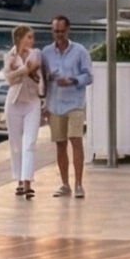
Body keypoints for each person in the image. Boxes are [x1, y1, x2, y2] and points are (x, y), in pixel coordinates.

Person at [42, 14, 94, 198]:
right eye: (55, 31)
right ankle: (65, 184)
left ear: (68, 30)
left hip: (75, 104)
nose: (59, 35)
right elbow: (41, 79)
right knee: (60, 145)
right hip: (55, 104)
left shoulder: (80, 51)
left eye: (62, 31)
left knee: (76, 141)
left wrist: (72, 80)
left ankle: (79, 184)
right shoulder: (46, 53)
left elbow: (89, 76)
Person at [3, 25, 44, 198]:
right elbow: (9, 79)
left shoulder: (36, 54)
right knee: (16, 143)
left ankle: (27, 181)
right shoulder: (9, 56)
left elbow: (39, 76)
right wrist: (25, 70)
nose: (31, 40)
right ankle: (19, 179)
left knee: (30, 142)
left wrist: (23, 72)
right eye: (28, 37)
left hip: (32, 101)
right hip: (14, 102)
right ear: (20, 38)